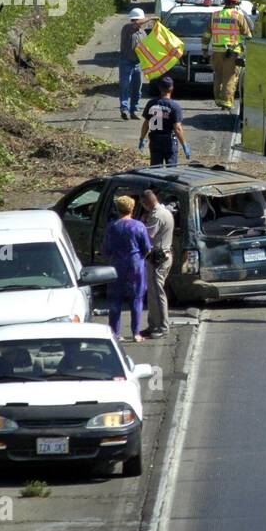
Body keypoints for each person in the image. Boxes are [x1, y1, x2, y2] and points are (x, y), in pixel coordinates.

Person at [103, 196, 153, 343]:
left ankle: (114, 333)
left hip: (117, 265)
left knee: (115, 300)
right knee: (136, 299)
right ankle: (136, 333)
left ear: (117, 209)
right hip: (135, 265)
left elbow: (105, 250)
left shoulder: (112, 227)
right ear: (132, 208)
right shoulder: (139, 226)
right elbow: (147, 248)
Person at [203, 0, 252, 111]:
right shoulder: (238, 16)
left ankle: (218, 100)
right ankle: (226, 102)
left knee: (218, 76)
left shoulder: (214, 15)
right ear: (235, 4)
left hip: (217, 52)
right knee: (230, 78)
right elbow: (247, 34)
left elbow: (206, 35)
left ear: (225, 3)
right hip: (232, 52)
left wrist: (204, 49)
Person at [140, 188, 174, 339]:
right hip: (159, 257)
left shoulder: (157, 215)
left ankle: (163, 327)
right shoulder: (164, 211)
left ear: (147, 203)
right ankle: (153, 325)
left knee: (158, 293)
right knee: (152, 293)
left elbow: (148, 235)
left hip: (159, 258)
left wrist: (140, 224)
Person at [139, 76, 192, 166]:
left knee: (156, 170)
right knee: (170, 170)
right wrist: (184, 145)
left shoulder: (151, 103)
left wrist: (142, 138)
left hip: (155, 139)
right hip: (169, 141)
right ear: (172, 88)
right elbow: (177, 128)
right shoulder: (174, 106)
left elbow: (146, 123)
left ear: (159, 88)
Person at [119, 7, 151, 120]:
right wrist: (151, 18)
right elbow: (136, 23)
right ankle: (124, 109)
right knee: (125, 86)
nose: (138, 23)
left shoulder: (142, 33)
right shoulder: (127, 28)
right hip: (126, 62)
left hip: (138, 63)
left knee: (137, 88)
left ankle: (134, 110)